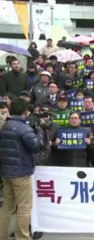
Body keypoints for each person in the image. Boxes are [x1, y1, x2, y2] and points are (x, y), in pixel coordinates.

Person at [0, 98, 42, 240]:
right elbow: (36, 146)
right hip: (21, 172)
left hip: (6, 171)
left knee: (7, 206)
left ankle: (2, 236)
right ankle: (22, 237)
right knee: (24, 207)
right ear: (25, 111)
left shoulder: (5, 125)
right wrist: (38, 131)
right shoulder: (24, 128)